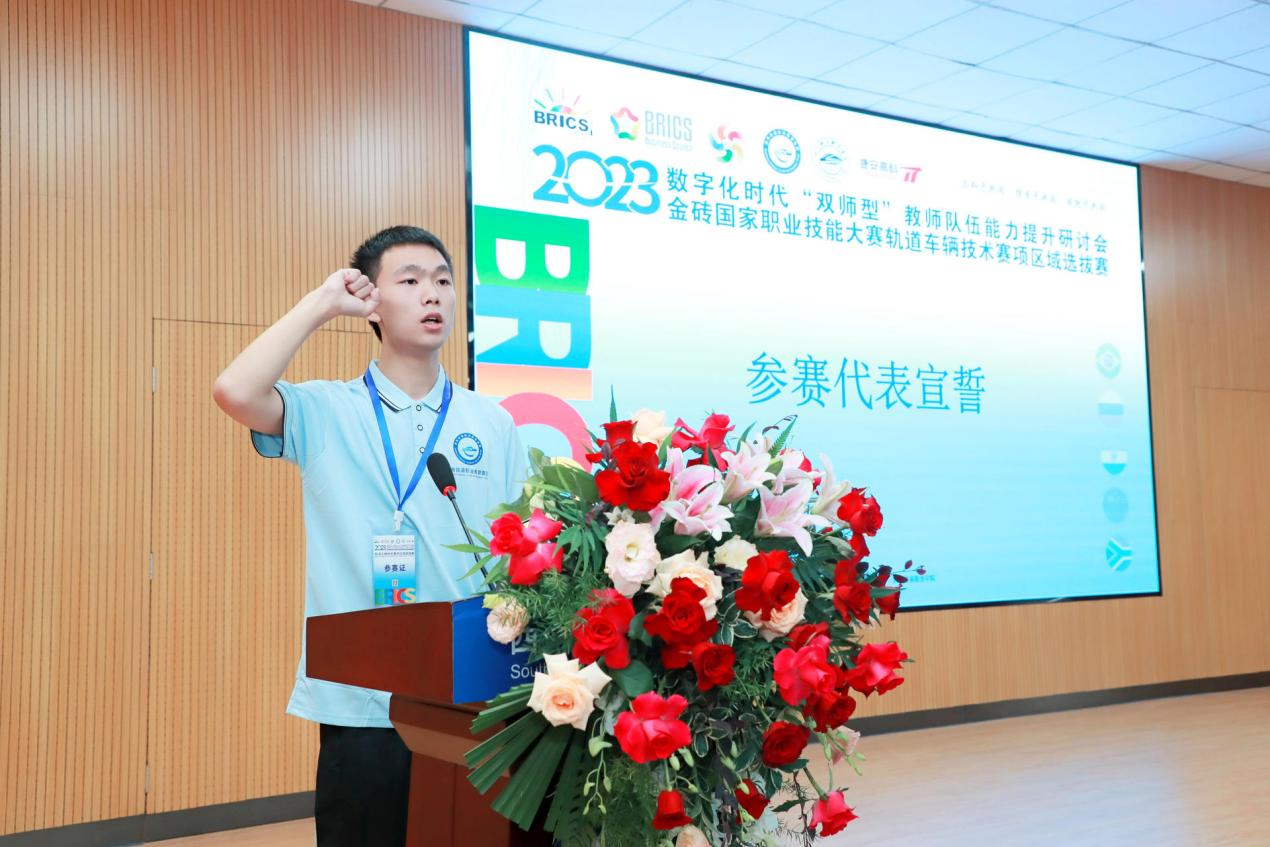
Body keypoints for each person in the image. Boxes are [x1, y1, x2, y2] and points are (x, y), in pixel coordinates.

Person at [212, 226, 525, 846]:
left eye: (443, 280)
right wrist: (322, 303)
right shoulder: (326, 409)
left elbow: (518, 551)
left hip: (470, 697)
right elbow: (235, 391)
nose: (432, 294)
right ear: (371, 303)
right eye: (410, 280)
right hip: (361, 700)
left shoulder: (491, 421)